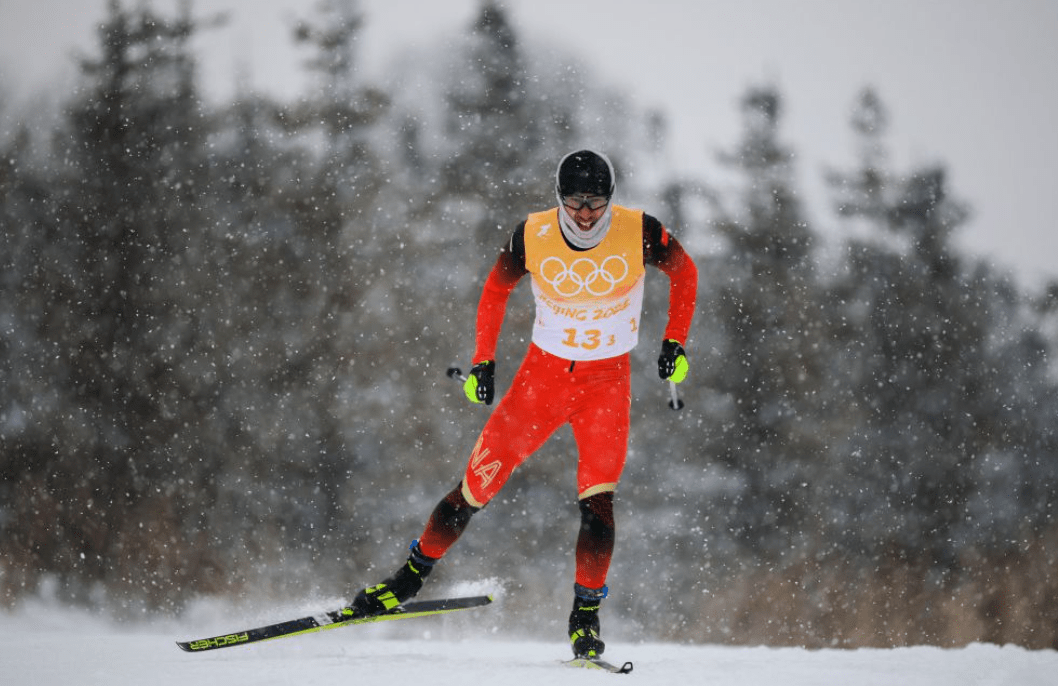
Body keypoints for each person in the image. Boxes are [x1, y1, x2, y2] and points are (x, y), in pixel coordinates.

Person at [347, 149, 698, 659]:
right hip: (543, 379)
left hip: (607, 385)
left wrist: (675, 343)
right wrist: (483, 362)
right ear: (559, 198)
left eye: (596, 203)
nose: (584, 214)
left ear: (610, 199)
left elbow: (684, 272)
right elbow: (495, 289)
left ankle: (584, 618)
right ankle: (407, 579)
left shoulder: (639, 229)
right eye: (575, 202)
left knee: (598, 505)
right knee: (475, 486)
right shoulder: (531, 234)